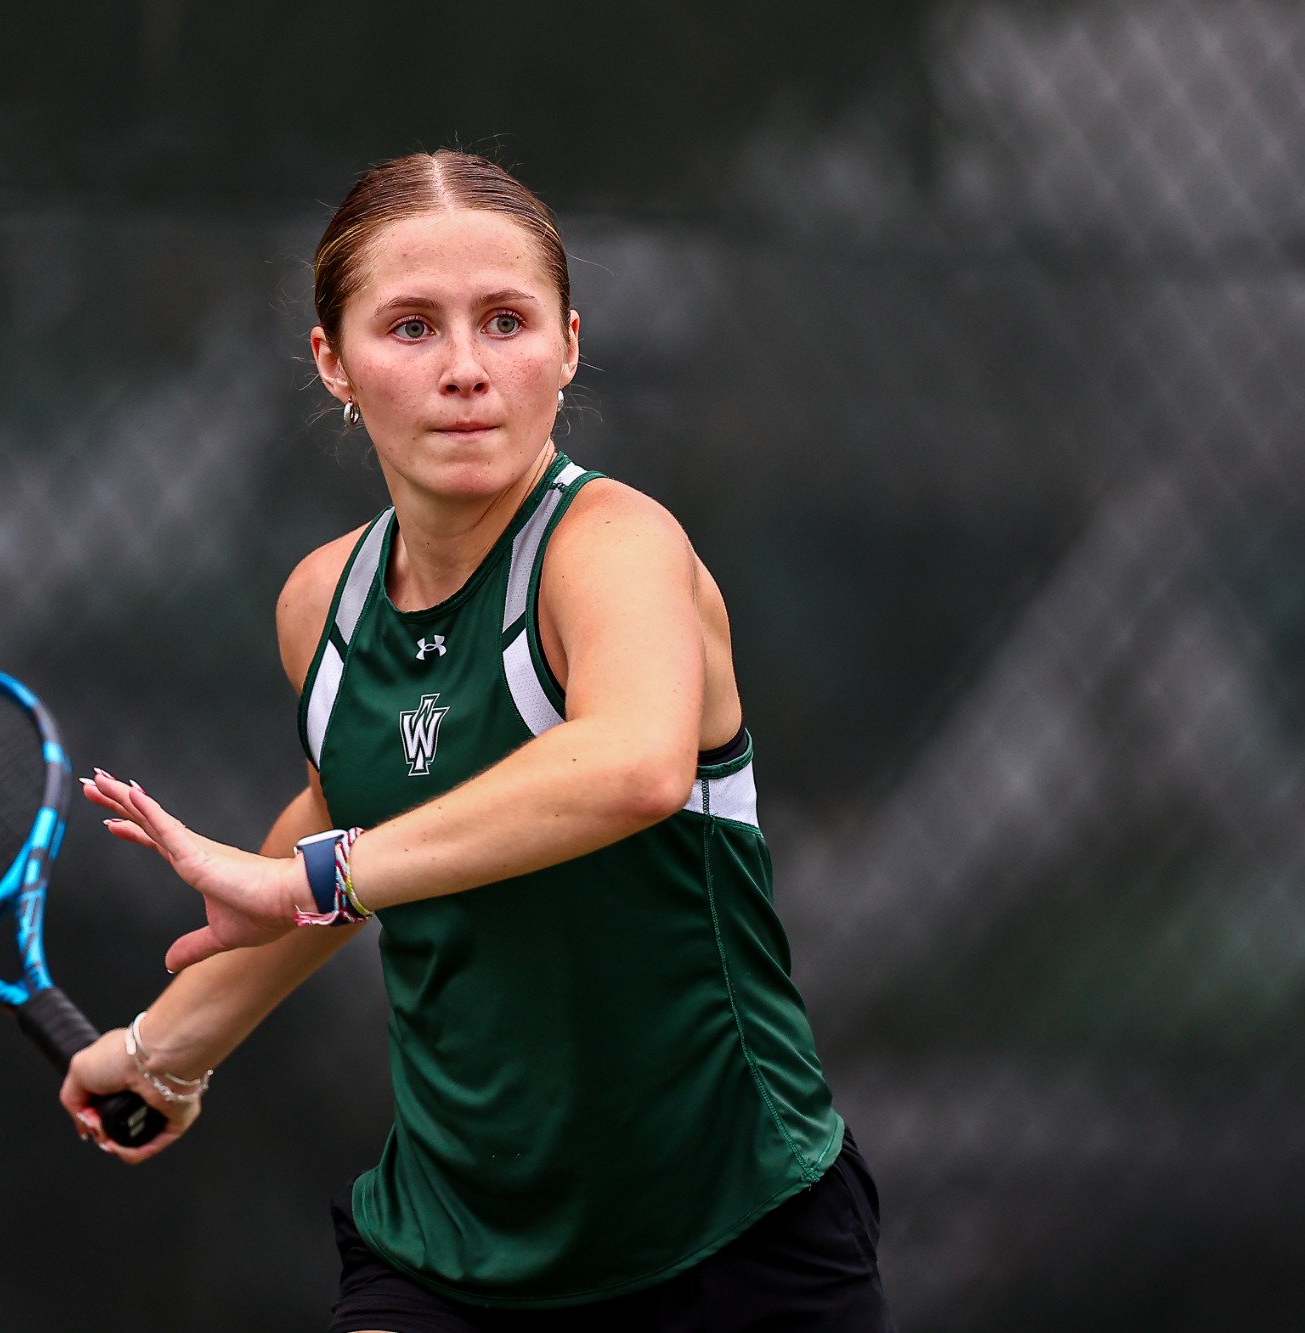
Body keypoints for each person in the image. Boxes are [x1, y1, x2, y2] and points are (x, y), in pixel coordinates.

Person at [62, 150, 892, 1333]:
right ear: (332, 362)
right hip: (447, 1250)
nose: (464, 369)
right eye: (410, 327)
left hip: (731, 1233)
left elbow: (632, 765)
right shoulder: (322, 606)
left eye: (504, 321)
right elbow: (353, 813)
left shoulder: (613, 548)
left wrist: (317, 875)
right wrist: (162, 1050)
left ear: (566, 344)